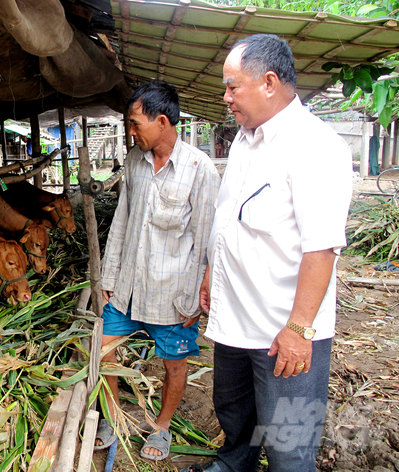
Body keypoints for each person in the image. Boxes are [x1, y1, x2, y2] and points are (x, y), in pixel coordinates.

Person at [184, 35, 352, 472]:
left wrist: (298, 329)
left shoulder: (314, 146)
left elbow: (322, 247)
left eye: (232, 86)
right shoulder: (244, 140)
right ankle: (232, 464)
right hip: (235, 319)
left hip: (282, 328)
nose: (226, 97)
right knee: (235, 416)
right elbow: (229, 219)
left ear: (270, 82)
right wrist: (210, 275)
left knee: (287, 444)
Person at [97, 80, 221, 460]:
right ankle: (113, 417)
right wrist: (108, 276)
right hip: (128, 285)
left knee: (175, 364)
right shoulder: (135, 162)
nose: (130, 132)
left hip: (173, 293)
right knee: (103, 349)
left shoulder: (200, 169)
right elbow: (121, 221)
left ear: (163, 121)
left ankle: (163, 427)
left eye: (135, 124)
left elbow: (207, 240)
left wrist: (198, 296)